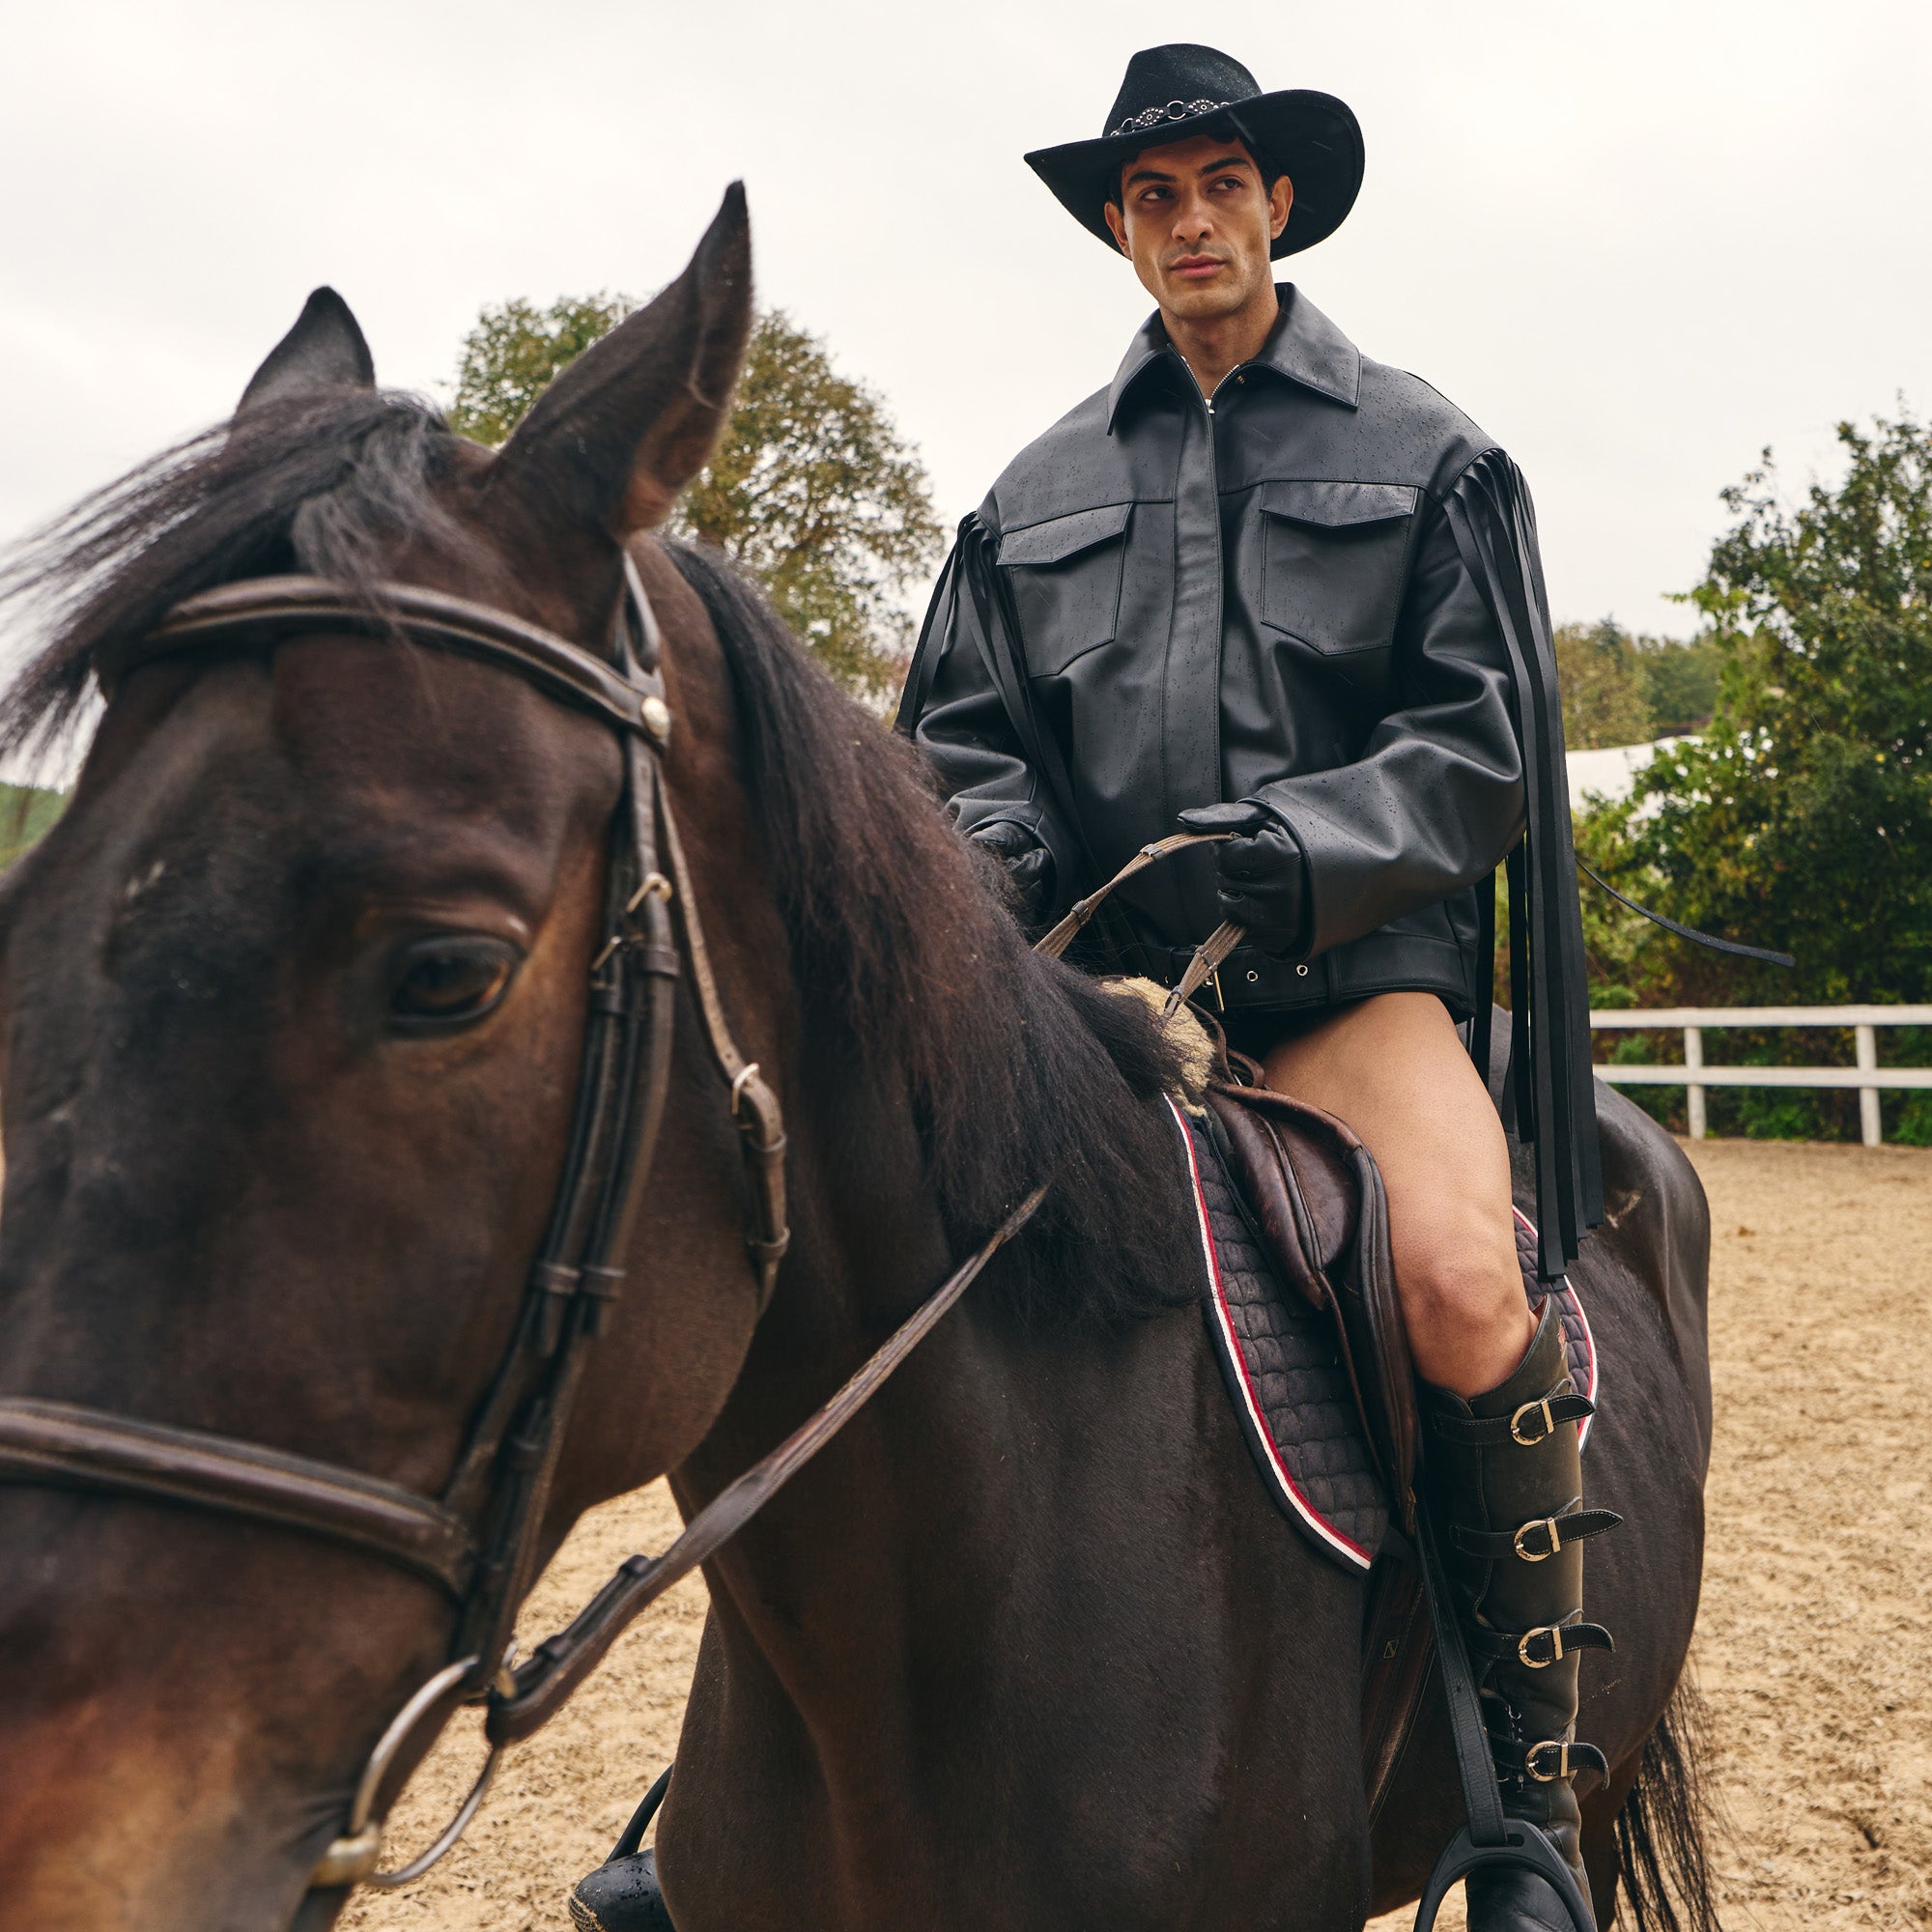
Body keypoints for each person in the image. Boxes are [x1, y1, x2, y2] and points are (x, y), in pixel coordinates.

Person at [895, 43, 1613, 1929]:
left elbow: (1480, 740)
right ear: (1118, 230)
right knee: (871, 1265)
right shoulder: (1030, 492)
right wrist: (1001, 856)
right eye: (1154, 196)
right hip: (1094, 1011)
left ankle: (1523, 1801)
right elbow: (966, 745)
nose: (1191, 220)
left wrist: (1307, 844)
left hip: (1344, 993)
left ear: (1278, 204)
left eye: (1221, 184)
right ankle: (740, 1776)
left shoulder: (1427, 454)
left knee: (1459, 1280)